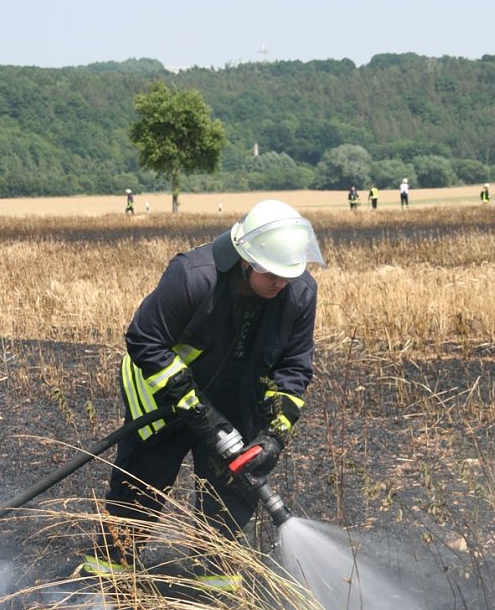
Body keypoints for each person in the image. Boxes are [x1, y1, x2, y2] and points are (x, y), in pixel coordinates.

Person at [85, 200, 325, 579]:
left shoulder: (299, 293)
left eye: (289, 274)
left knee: (230, 488)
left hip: (235, 394)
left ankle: (216, 579)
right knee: (144, 479)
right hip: (160, 393)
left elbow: (294, 367)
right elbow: (145, 340)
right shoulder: (194, 276)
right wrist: (201, 414)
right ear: (246, 260)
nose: (281, 283)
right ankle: (107, 573)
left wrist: (274, 434)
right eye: (273, 273)